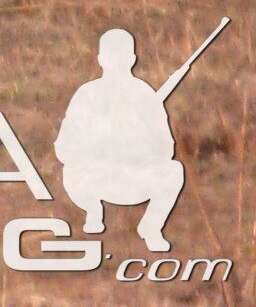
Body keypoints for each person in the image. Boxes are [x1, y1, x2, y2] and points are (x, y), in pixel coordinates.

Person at [57, 28, 187, 252]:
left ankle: (151, 227)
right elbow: (63, 147)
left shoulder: (145, 95)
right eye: (112, 57)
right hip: (93, 179)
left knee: (174, 171)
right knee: (71, 171)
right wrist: (96, 148)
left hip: (133, 179)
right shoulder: (86, 94)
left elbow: (166, 149)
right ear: (101, 60)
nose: (116, 62)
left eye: (120, 57)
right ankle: (93, 210)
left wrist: (137, 148)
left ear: (132, 60)